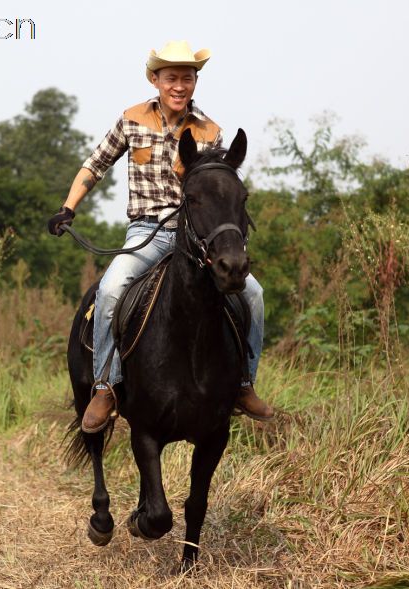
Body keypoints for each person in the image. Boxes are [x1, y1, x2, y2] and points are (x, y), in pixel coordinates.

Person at [47, 40, 274, 434]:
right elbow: (96, 164)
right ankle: (104, 386)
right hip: (146, 233)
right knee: (112, 286)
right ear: (155, 79)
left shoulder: (210, 131)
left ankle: (242, 384)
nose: (179, 85)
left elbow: (219, 191)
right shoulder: (131, 120)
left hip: (198, 240)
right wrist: (69, 207)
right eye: (171, 77)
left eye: (187, 78)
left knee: (252, 294)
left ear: (195, 82)